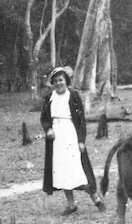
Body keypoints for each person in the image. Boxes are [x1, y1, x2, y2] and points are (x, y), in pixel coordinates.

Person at [40, 66, 105, 215]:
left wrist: (81, 140)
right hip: (56, 138)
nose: (58, 83)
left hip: (71, 135)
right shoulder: (50, 97)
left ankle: (96, 200)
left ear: (66, 81)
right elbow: (44, 117)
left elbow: (81, 120)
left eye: (61, 80)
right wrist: (48, 129)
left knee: (80, 167)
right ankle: (71, 205)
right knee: (61, 170)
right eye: (55, 81)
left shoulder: (73, 96)